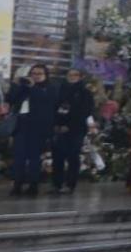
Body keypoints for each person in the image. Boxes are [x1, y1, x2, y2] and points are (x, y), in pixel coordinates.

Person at [6, 64, 57, 197]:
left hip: (38, 128)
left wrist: (33, 86)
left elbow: (45, 102)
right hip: (21, 126)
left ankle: (33, 186)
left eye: (40, 73)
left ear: (45, 75)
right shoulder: (25, 87)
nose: (36, 76)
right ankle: (17, 185)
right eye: (33, 73)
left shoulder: (50, 88)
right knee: (19, 158)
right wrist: (15, 84)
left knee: (35, 158)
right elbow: (10, 100)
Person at [47, 66, 95, 195]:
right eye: (69, 75)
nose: (72, 77)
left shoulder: (85, 93)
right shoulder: (60, 91)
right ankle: (56, 184)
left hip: (76, 130)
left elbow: (84, 112)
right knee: (58, 157)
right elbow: (54, 109)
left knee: (73, 157)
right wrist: (56, 124)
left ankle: (70, 184)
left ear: (80, 77)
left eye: (75, 75)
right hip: (58, 129)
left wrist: (70, 126)